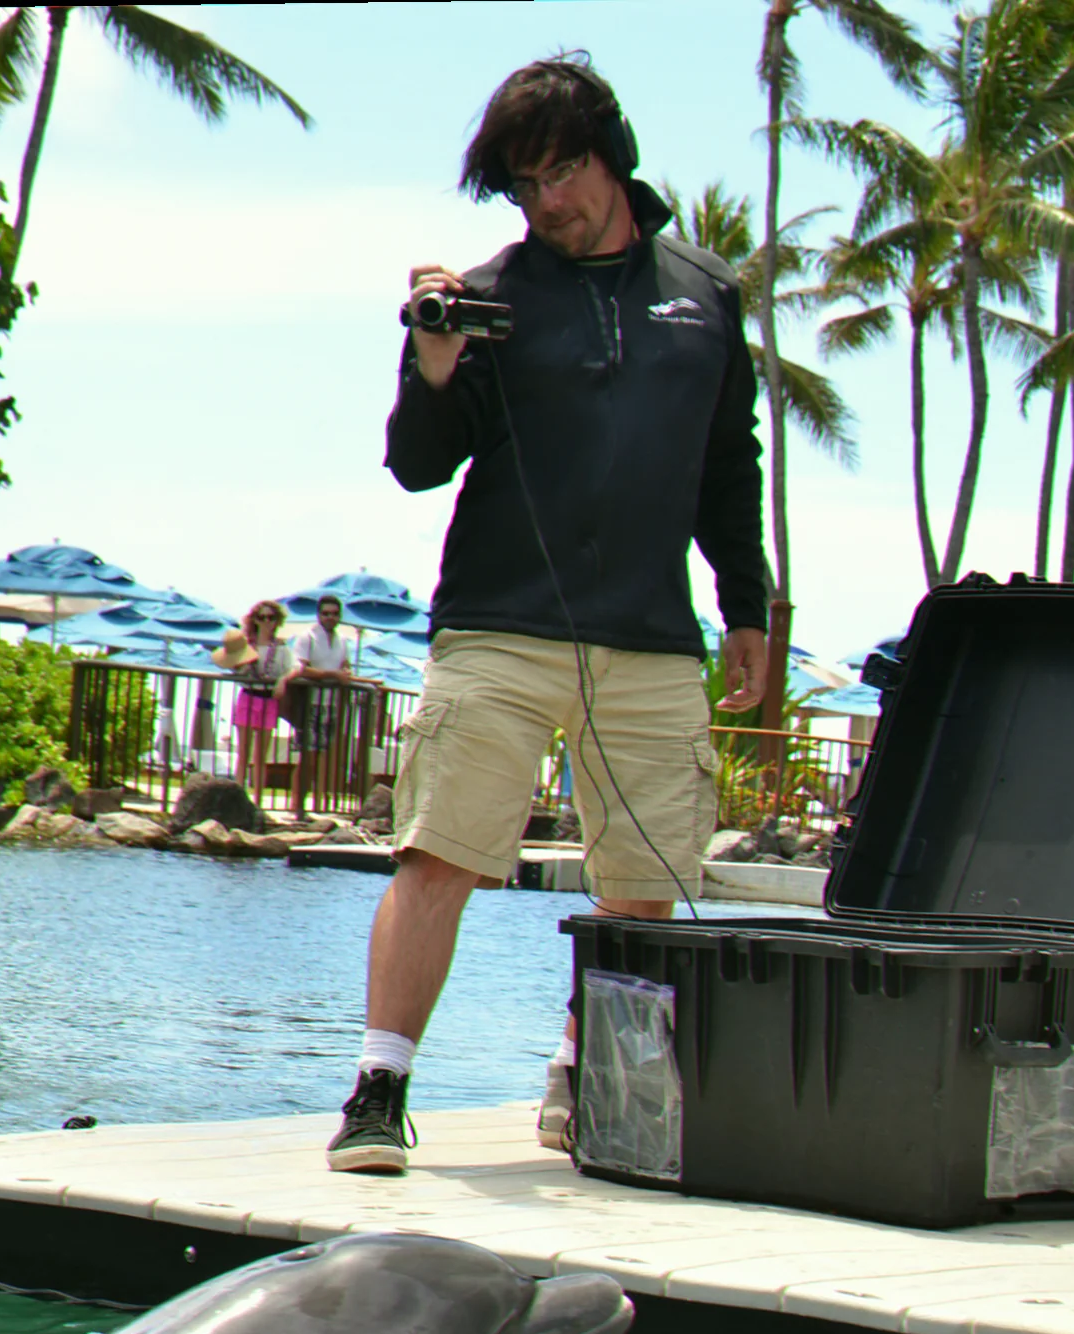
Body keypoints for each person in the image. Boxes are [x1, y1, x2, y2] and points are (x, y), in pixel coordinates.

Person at [325, 54, 767, 1176]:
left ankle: (588, 1080)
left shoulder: (708, 296)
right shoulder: (488, 297)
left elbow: (729, 465)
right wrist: (431, 362)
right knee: (439, 854)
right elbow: (418, 468)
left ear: (610, 153)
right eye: (524, 185)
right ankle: (380, 1089)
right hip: (497, 629)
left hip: (655, 641)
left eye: (560, 171)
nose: (547, 202)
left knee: (645, 877)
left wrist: (748, 606)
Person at [278, 594, 353, 821]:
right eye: (326, 613)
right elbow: (301, 669)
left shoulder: (342, 641)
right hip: (310, 702)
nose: (330, 617)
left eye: (334, 614)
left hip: (332, 704)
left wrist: (343, 675)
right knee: (306, 756)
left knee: (323, 756)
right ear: (318, 615)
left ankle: (314, 806)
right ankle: (296, 806)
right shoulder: (307, 637)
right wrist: (332, 675)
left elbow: (345, 667)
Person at [214, 601, 293, 809]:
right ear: (255, 620)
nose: (267, 622)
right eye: (262, 617)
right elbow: (233, 668)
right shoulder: (246, 646)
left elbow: (290, 669)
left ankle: (257, 801)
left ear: (278, 621)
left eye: (271, 618)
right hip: (248, 696)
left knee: (261, 756)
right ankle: (238, 798)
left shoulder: (282, 648)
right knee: (243, 753)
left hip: (268, 700)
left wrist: (282, 681)